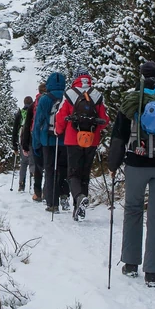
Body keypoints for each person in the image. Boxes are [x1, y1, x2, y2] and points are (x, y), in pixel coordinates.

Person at [107, 61, 155, 288]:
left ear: (140, 77)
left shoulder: (133, 101)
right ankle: (152, 272)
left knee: (133, 210)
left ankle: (131, 264)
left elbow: (119, 136)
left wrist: (113, 164)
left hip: (136, 164)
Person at [53, 66, 108, 221]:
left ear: (75, 78)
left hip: (73, 139)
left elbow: (61, 116)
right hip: (91, 139)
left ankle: (78, 197)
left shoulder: (69, 94)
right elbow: (105, 120)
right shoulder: (97, 95)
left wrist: (58, 131)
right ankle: (80, 209)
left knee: (73, 174)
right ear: (88, 79)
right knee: (85, 173)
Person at [31, 71, 69, 213]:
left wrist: (36, 143)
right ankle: (64, 196)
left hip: (48, 140)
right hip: (65, 140)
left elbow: (38, 122)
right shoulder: (68, 97)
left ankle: (52, 203)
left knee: (50, 170)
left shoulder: (45, 99)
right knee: (63, 169)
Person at [10, 96, 34, 191]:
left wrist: (14, 145)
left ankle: (21, 184)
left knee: (23, 163)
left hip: (22, 139)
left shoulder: (19, 113)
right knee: (32, 162)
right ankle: (34, 186)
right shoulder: (33, 112)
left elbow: (15, 129)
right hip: (32, 140)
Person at [31, 81, 46, 201]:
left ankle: (37, 193)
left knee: (38, 167)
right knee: (50, 166)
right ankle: (47, 191)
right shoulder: (52, 101)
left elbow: (29, 124)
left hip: (36, 137)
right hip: (49, 137)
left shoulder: (35, 103)